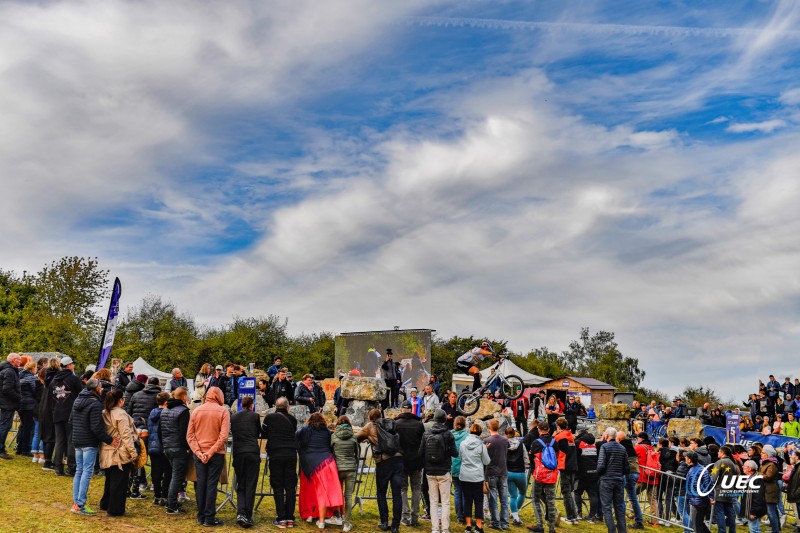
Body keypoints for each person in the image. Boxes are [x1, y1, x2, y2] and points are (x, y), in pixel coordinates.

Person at [70, 378, 118, 515]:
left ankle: (76, 502)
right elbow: (96, 427)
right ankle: (80, 504)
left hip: (77, 440)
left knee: (80, 471)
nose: (102, 389)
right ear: (96, 388)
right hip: (88, 442)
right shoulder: (95, 404)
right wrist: (109, 440)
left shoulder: (77, 400)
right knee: (86, 471)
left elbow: (71, 420)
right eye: (101, 386)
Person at [187, 386, 230, 527]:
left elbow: (190, 435)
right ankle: (209, 517)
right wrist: (210, 452)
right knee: (211, 484)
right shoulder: (223, 411)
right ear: (219, 396)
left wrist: (198, 452)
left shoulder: (196, 410)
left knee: (201, 483)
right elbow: (223, 436)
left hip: (199, 453)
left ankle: (201, 516)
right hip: (215, 453)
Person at [357, 408, 404, 533]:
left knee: (381, 492)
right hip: (398, 459)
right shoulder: (392, 423)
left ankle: (384, 522)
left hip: (383, 461)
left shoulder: (369, 426)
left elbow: (356, 437)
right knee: (396, 494)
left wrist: (367, 439)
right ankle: (395, 525)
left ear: (370, 418)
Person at [297, 412, 344, 528]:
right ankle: (336, 515)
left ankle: (314, 516)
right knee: (332, 491)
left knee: (312, 491)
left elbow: (297, 440)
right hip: (328, 462)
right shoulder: (327, 432)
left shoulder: (305, 430)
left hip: (311, 464)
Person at [99, 388, 138, 517]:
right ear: (120, 400)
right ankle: (115, 508)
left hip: (107, 449)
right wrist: (133, 452)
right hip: (119, 451)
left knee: (110, 479)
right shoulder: (120, 414)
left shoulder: (105, 412)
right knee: (119, 481)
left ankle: (106, 503)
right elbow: (126, 435)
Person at [262, 396, 299, 528]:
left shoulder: (269, 418)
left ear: (275, 407)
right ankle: (290, 517)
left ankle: (281, 517)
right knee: (290, 486)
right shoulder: (292, 419)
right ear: (287, 407)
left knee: (277, 485)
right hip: (290, 454)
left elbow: (264, 433)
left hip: (275, 453)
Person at [419, 409, 458, 533]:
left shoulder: (426, 433)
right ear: (445, 419)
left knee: (433, 501)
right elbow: (455, 453)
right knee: (445, 501)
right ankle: (445, 528)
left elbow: (421, 452)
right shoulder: (448, 434)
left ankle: (435, 528)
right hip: (444, 470)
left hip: (430, 471)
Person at [229, 395, 262, 528]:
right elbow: (258, 432)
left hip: (239, 452)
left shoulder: (234, 417)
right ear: (251, 405)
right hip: (252, 451)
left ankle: (240, 512)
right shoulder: (255, 416)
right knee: (251, 484)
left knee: (241, 484)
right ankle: (247, 514)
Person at [160, 386, 192, 514]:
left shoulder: (165, 410)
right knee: (177, 476)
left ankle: (171, 500)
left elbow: (160, 430)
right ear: (184, 397)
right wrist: (187, 447)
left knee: (174, 475)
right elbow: (184, 433)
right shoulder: (183, 411)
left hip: (167, 446)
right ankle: (172, 505)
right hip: (178, 447)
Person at [50, 356, 83, 476]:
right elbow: (81, 395)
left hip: (57, 413)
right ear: (69, 365)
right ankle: (71, 468)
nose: (73, 366)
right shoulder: (74, 379)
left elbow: (51, 398)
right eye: (72, 364)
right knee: (71, 442)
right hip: (71, 414)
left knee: (59, 441)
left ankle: (58, 468)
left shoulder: (53, 380)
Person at [395, 400, 425, 527]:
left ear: (402, 410)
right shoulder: (418, 424)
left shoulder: (396, 424)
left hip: (401, 460)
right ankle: (415, 516)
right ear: (411, 410)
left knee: (403, 489)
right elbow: (422, 443)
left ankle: (405, 515)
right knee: (416, 488)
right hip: (416, 460)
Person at [528, 420, 559, 533]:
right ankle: (551, 528)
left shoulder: (536, 443)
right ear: (549, 430)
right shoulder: (555, 442)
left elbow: (531, 459)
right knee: (550, 501)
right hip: (551, 475)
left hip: (539, 474)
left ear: (539, 430)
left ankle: (540, 525)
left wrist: (532, 471)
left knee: (535, 499)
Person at [596, 427, 629, 533]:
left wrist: (598, 473)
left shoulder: (604, 447)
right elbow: (626, 468)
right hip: (618, 479)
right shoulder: (622, 448)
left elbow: (601, 465)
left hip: (606, 479)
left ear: (606, 436)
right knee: (619, 506)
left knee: (606, 507)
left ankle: (611, 530)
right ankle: (622, 530)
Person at [460, 422, 491, 533]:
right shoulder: (481, 446)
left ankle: (468, 525)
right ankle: (478, 526)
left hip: (465, 475)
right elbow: (487, 461)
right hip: (477, 475)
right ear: (480, 433)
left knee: (467, 500)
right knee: (478, 501)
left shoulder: (463, 443)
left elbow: (461, 457)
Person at [330, 415, 359, 532]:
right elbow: (357, 453)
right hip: (350, 469)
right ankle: (346, 523)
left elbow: (331, 451)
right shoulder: (353, 437)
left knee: (337, 493)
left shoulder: (333, 436)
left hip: (337, 468)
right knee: (348, 496)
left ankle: (336, 515)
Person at [146, 392, 172, 507]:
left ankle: (157, 495)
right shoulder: (166, 413)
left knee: (156, 471)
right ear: (166, 402)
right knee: (167, 471)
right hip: (164, 446)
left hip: (152, 445)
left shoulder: (152, 412)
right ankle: (164, 495)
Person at [483, 418, 510, 530]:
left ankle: (495, 522)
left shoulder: (487, 441)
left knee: (493, 499)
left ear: (489, 427)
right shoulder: (504, 440)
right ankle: (505, 523)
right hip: (503, 471)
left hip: (491, 472)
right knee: (503, 499)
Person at [553, 417, 580, 524]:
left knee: (566, 492)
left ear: (558, 426)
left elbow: (554, 449)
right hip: (573, 465)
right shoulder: (570, 436)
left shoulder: (559, 437)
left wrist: (554, 436)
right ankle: (574, 515)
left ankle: (570, 516)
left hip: (564, 466)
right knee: (570, 491)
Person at [617, 431, 644, 529]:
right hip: (635, 473)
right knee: (633, 499)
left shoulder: (621, 447)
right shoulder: (630, 446)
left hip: (627, 473)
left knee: (620, 498)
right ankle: (639, 521)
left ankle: (622, 521)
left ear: (619, 438)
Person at [711, 445, 739, 533]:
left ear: (722, 453)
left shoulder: (719, 462)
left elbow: (714, 478)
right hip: (730, 490)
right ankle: (732, 530)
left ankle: (722, 531)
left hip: (719, 491)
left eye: (719, 451)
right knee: (730, 513)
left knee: (720, 513)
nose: (717, 453)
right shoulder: (733, 463)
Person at [504, 426, 528, 527]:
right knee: (522, 493)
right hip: (520, 472)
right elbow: (525, 457)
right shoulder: (521, 444)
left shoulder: (504, 444)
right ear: (515, 434)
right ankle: (515, 512)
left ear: (505, 434)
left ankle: (515, 515)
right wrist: (526, 465)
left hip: (509, 472)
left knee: (513, 496)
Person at [575, 429, 600, 523]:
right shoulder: (594, 443)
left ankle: (578, 513)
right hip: (594, 472)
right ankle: (592, 516)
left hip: (581, 473)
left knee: (577, 492)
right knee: (593, 494)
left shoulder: (578, 443)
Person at [0, 353, 22, 459]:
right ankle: (1, 449)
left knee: (4, 425)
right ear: (13, 360)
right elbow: (7, 389)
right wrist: (18, 397)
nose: (20, 361)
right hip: (7, 403)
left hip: (6, 402)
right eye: (18, 359)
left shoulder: (9, 369)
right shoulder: (9, 371)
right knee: (5, 426)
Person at [685, 451, 712, 533]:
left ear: (689, 460)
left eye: (686, 457)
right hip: (700, 500)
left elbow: (695, 486)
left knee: (696, 525)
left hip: (697, 501)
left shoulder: (694, 470)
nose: (685, 459)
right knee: (699, 522)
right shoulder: (701, 468)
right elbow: (709, 484)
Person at [16, 359, 38, 456]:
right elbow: (35, 391)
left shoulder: (20, 377)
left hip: (20, 404)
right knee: (28, 427)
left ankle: (19, 448)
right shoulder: (32, 378)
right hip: (29, 405)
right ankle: (26, 449)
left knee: (23, 426)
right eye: (36, 368)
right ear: (32, 368)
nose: (36, 369)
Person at [451, 416, 469, 525]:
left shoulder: (450, 434)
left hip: (453, 466)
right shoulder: (467, 436)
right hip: (464, 466)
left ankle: (459, 515)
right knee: (464, 492)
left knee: (457, 491)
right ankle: (465, 514)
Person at [741, 459, 767, 533]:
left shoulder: (757, 479)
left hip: (753, 509)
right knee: (754, 528)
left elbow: (758, 497)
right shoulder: (751, 477)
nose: (743, 467)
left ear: (749, 468)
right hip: (751, 508)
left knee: (754, 529)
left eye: (744, 466)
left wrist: (753, 512)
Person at [759, 445, 780, 533]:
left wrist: (758, 475)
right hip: (767, 489)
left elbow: (769, 476)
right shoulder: (765, 463)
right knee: (772, 511)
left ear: (768, 455)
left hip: (770, 490)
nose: (761, 454)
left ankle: (775, 531)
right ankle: (776, 529)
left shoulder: (771, 464)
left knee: (771, 512)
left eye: (763, 453)